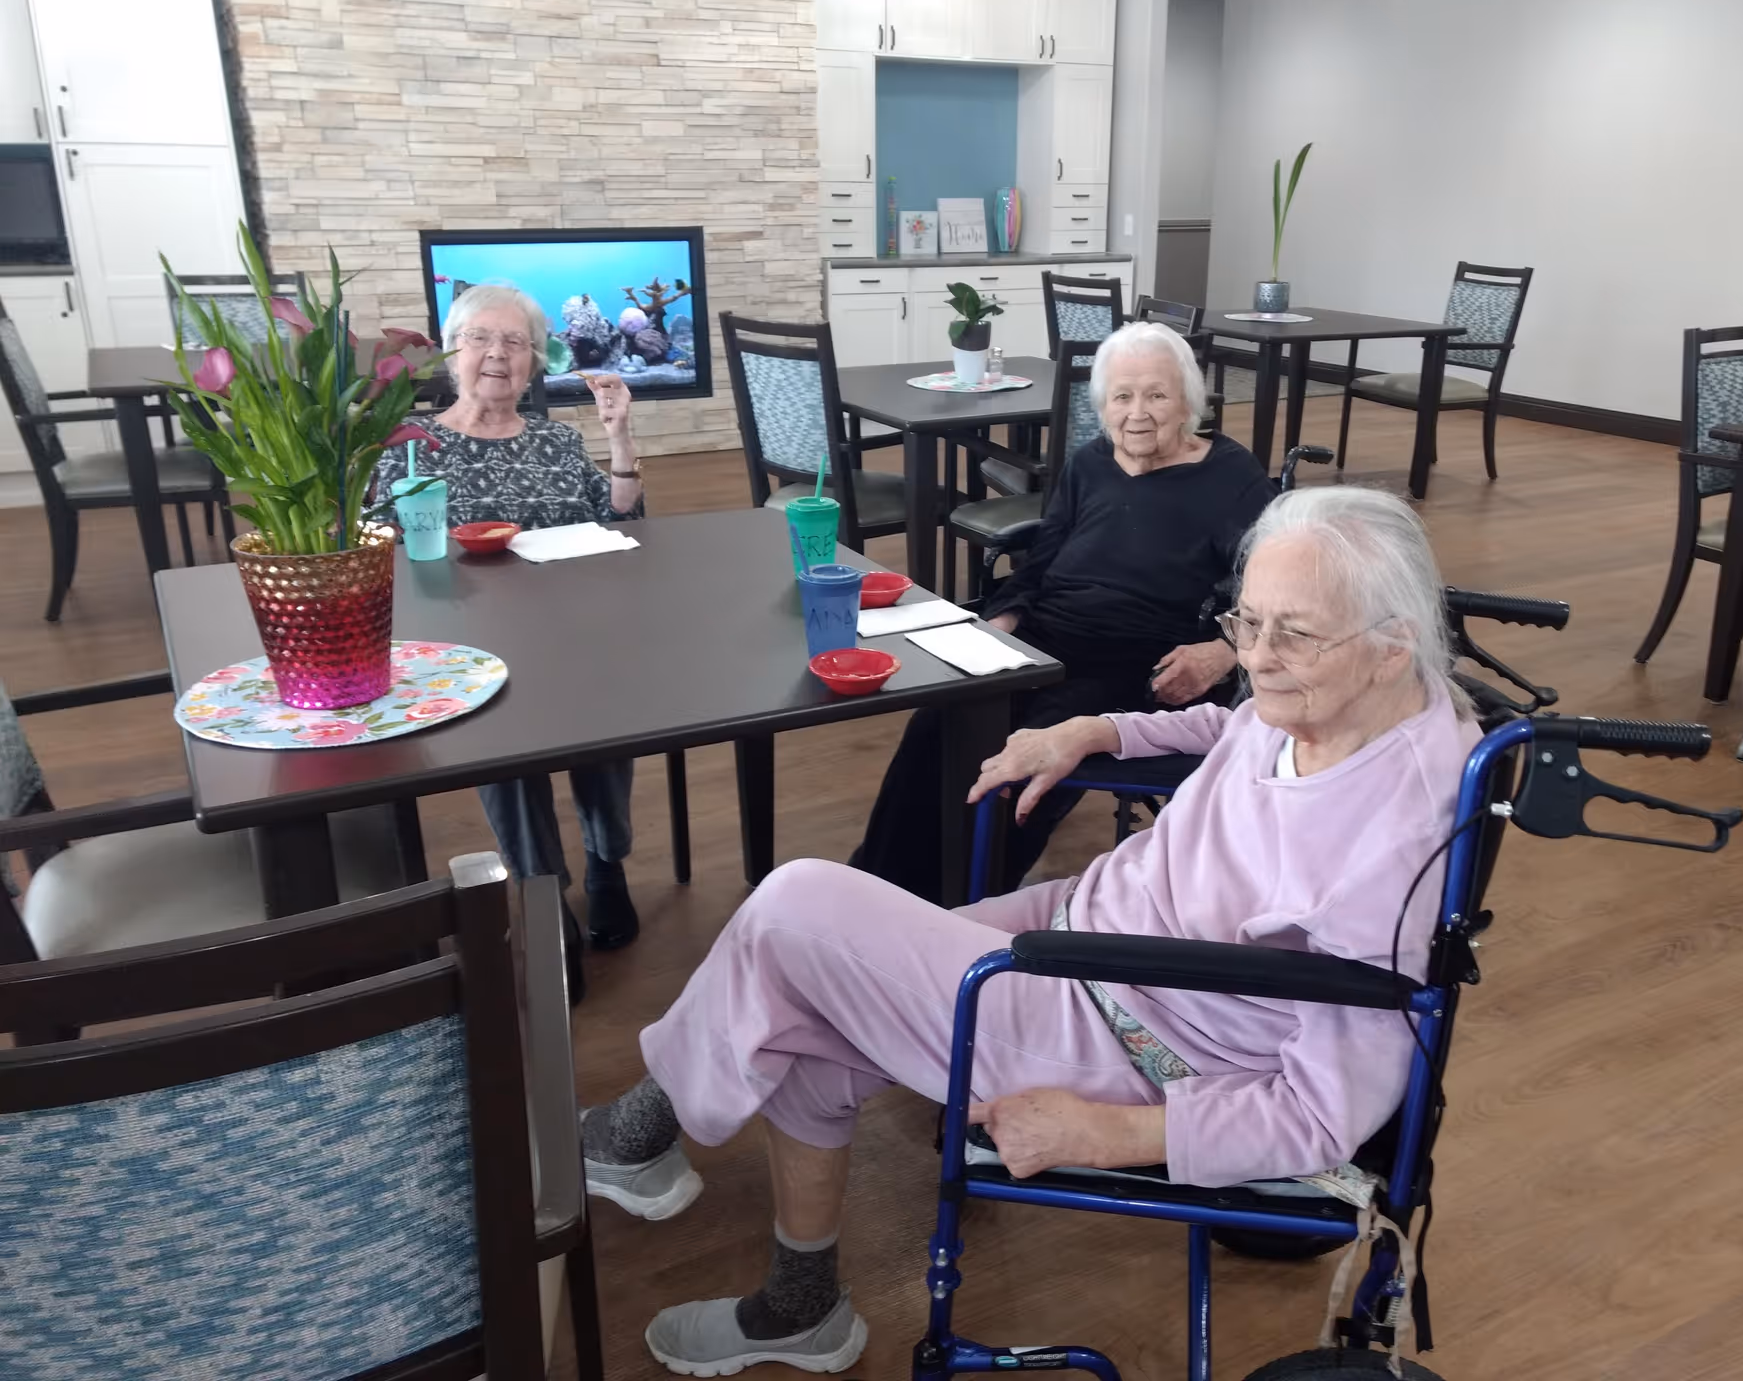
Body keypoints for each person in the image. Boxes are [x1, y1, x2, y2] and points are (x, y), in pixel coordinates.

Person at [579, 486, 1483, 1377]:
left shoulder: (1391, 852)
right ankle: (797, 1301)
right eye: (1246, 623)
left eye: (1294, 634)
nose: (1259, 657)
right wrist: (1094, 729)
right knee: (810, 998)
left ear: (1393, 643)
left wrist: (1105, 1133)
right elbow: (1237, 724)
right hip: (1091, 926)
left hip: (1137, 1035)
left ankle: (648, 1135)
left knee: (795, 904)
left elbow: (1326, 1113)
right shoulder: (1362, 696)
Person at [852, 321, 1274, 902]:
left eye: (1157, 395)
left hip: (1139, 659)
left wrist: (1223, 652)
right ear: (1103, 406)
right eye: (1122, 397)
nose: (1138, 413)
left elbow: (1273, 589)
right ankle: (875, 887)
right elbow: (1042, 556)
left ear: (1188, 404)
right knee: (940, 721)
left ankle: (962, 903)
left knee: (1027, 749)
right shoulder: (1090, 463)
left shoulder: (1230, 477)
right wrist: (1000, 622)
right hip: (1047, 634)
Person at [371, 284, 646, 949]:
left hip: (570, 631)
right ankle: (543, 892)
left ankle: (607, 862)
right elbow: (378, 549)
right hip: (466, 635)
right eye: (481, 340)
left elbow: (622, 524)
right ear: (453, 354)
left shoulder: (554, 439)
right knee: (504, 728)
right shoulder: (409, 446)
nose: (498, 354)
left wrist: (620, 440)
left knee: (607, 701)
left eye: (515, 342)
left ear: (535, 360)